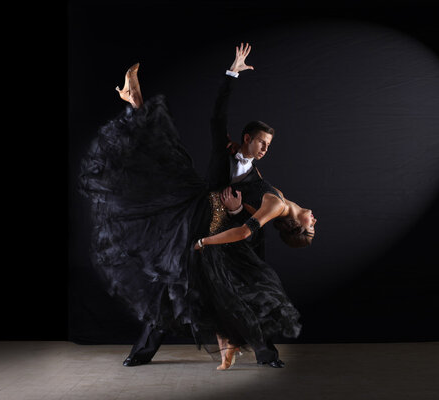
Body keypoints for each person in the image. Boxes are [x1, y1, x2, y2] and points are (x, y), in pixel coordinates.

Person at [79, 43, 316, 370]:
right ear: (246, 138)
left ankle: (266, 354)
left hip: (219, 231)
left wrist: (232, 213)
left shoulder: (264, 187)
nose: (264, 149)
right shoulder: (232, 154)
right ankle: (141, 352)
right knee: (171, 280)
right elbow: (217, 114)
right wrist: (232, 72)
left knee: (231, 294)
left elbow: (250, 221)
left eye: (268, 145)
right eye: (261, 142)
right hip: (195, 216)